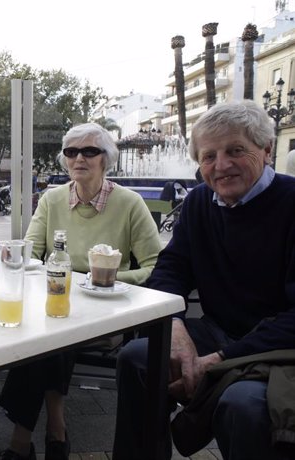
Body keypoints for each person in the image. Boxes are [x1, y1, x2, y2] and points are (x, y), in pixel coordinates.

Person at [113, 100, 295, 460]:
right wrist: (175, 326)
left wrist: (219, 359)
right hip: (218, 330)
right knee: (137, 358)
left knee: (243, 405)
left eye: (235, 150)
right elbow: (170, 269)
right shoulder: (199, 202)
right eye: (209, 156)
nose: (221, 166)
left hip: (280, 349)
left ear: (267, 150)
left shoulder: (291, 203)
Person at [0, 123, 162, 460]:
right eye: (71, 152)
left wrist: (110, 281)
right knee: (51, 330)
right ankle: (55, 430)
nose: (79, 158)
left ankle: (21, 441)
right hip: (56, 302)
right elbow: (30, 249)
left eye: (89, 151)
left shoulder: (129, 204)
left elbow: (156, 265)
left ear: (106, 159)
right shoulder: (52, 199)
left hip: (107, 312)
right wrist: (11, 252)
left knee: (49, 336)